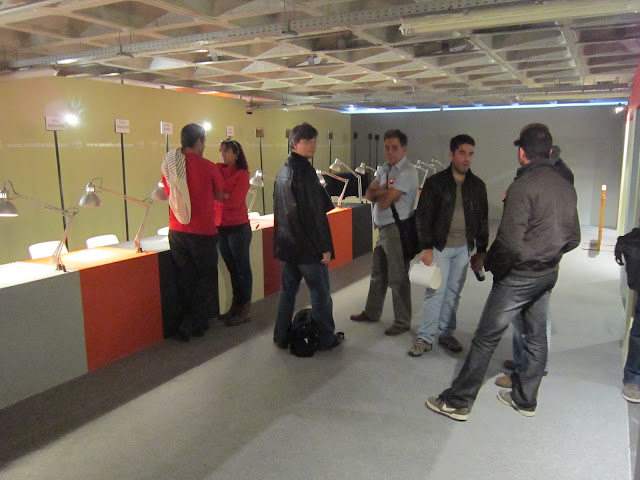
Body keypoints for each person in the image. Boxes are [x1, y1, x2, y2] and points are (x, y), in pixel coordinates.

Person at [426, 123, 580, 420]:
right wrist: (547, 255)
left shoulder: (522, 187)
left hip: (518, 277)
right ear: (549, 151)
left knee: (486, 338)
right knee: (536, 338)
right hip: (548, 274)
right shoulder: (565, 185)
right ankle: (525, 400)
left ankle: (458, 401)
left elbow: (508, 243)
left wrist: (490, 264)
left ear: (522, 153)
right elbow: (574, 238)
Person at [497, 139, 575, 387]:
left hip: (534, 261)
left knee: (532, 320)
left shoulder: (554, 175)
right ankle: (525, 363)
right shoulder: (553, 174)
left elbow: (557, 224)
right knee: (528, 317)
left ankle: (531, 369)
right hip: (542, 258)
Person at [408, 134, 488, 357]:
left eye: (470, 154)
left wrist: (481, 251)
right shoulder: (436, 183)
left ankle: (445, 333)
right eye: (462, 153)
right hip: (439, 248)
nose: (466, 158)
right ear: (451, 154)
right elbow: (422, 217)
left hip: (463, 249)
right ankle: (425, 337)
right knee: (435, 292)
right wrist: (426, 247)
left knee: (453, 293)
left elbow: (482, 220)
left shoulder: (477, 186)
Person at [272, 122, 344, 351]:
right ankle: (325, 338)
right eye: (307, 141)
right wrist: (325, 247)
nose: (313, 146)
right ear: (295, 143)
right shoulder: (305, 172)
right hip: (307, 248)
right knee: (320, 293)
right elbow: (315, 214)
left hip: (287, 245)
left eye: (314, 141)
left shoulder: (282, 171)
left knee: (288, 292)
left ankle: (280, 336)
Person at [350, 130, 419, 335]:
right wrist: (384, 192)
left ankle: (402, 321)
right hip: (382, 229)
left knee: (397, 276)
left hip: (397, 229)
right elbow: (368, 194)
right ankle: (372, 312)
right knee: (378, 273)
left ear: (404, 149)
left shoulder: (408, 171)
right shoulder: (384, 169)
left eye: (394, 148)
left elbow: (386, 201)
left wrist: (380, 192)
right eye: (387, 148)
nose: (390, 152)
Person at [162, 123, 224, 341]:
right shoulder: (208, 166)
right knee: (205, 278)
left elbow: (168, 192)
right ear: (198, 142)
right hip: (202, 231)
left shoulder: (170, 166)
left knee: (184, 278)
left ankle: (188, 322)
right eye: (204, 141)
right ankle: (195, 322)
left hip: (176, 230)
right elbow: (220, 194)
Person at [216, 138, 253, 327]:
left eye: (226, 151)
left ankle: (244, 308)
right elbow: (212, 193)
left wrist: (219, 197)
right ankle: (235, 306)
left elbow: (235, 202)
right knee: (232, 269)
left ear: (236, 154)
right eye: (221, 151)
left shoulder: (242, 175)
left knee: (242, 269)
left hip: (238, 227)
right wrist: (223, 196)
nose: (222, 154)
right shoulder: (217, 170)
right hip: (221, 227)